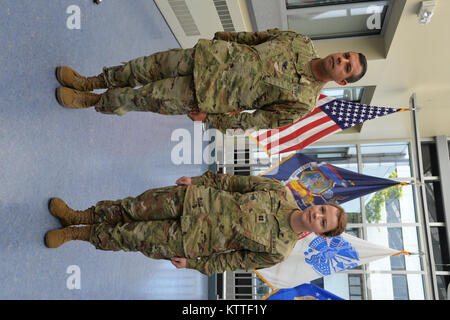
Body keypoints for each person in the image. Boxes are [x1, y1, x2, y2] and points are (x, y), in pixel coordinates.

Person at [55, 28, 367, 132]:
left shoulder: (303, 103)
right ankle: (91, 80)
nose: (340, 60)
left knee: (143, 97)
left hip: (205, 94)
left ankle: (93, 101)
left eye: (346, 67)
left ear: (342, 81)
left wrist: (212, 121)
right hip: (207, 57)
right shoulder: (300, 40)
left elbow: (256, 121)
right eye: (345, 56)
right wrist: (222, 38)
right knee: (142, 67)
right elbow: (257, 37)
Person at [44, 171, 347, 276]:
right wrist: (199, 180)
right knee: (131, 208)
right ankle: (79, 216)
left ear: (319, 233)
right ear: (317, 204)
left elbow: (231, 262)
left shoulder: (278, 251)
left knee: (131, 237)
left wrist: (194, 265)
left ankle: (77, 234)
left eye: (323, 222)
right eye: (322, 210)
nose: (317, 216)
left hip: (189, 240)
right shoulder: (278, 191)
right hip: (192, 199)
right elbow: (233, 183)